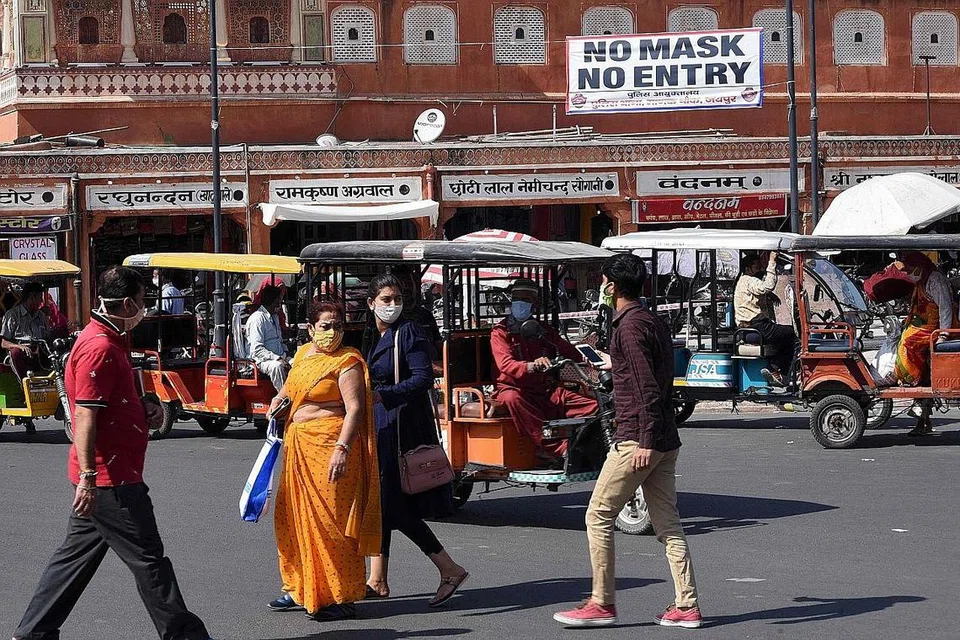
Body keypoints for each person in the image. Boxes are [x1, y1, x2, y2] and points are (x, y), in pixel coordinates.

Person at [12, 266, 212, 640]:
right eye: (141, 301)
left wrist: (143, 409)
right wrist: (89, 478)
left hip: (107, 476)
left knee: (72, 562)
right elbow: (85, 416)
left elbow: (109, 404)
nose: (143, 308)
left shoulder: (107, 338)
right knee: (150, 561)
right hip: (110, 479)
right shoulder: (99, 347)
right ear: (126, 304)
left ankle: (32, 634)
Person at [554, 253, 701, 629]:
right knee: (668, 525)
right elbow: (647, 371)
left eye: (604, 280)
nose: (601, 286)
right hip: (664, 437)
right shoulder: (647, 320)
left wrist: (645, 440)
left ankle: (601, 602)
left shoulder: (629, 327)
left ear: (613, 285)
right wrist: (614, 362)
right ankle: (687, 605)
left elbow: (647, 387)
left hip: (639, 437)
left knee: (598, 515)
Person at [266, 302, 381, 621]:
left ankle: (341, 597)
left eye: (338, 326)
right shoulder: (303, 355)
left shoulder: (347, 361)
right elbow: (287, 392)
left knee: (331, 524)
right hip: (299, 447)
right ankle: (299, 588)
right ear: (310, 328)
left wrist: (342, 449)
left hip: (331, 448)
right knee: (292, 518)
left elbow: (355, 408)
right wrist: (276, 404)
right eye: (326, 326)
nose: (333, 332)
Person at [363, 274, 469, 606]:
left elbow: (423, 378)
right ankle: (377, 579)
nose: (392, 305)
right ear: (371, 303)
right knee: (383, 503)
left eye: (397, 299)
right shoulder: (377, 335)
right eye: (386, 299)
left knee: (391, 505)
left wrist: (384, 395)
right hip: (384, 426)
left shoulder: (407, 332)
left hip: (402, 427)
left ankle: (449, 568)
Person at [490, 278, 597, 461]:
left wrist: (593, 358)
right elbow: (505, 364)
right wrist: (532, 366)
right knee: (512, 399)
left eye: (526, 300)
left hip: (545, 389)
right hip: (515, 389)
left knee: (596, 406)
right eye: (516, 299)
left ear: (535, 304)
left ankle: (588, 444)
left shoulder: (542, 330)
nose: (520, 304)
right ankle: (558, 449)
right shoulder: (500, 332)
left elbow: (567, 349)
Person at [893, 252, 958, 435]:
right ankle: (922, 415)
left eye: (910, 270)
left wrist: (944, 334)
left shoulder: (935, 281)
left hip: (935, 328)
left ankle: (910, 380)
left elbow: (945, 308)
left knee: (908, 343)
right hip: (924, 326)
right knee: (903, 336)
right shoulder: (921, 281)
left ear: (919, 267)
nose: (909, 273)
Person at [734, 251, 796, 386]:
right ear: (748, 269)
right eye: (756, 266)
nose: (760, 269)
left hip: (753, 327)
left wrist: (768, 296)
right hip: (757, 326)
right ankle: (776, 369)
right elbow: (767, 286)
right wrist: (772, 261)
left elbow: (757, 293)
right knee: (793, 334)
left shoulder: (744, 281)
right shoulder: (749, 280)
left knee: (784, 338)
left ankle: (779, 371)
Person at [1, 282, 50, 381]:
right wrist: (19, 346)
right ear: (32, 297)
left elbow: (47, 337)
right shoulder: (12, 315)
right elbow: (3, 342)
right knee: (16, 353)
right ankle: (24, 384)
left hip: (40, 352)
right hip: (22, 354)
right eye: (40, 297)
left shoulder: (41, 316)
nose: (41, 301)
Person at [245, 285, 289, 392]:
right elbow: (257, 349)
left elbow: (279, 340)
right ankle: (283, 396)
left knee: (298, 363)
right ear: (274, 302)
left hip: (280, 355)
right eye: (279, 301)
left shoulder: (275, 317)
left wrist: (286, 353)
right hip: (261, 360)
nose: (280, 304)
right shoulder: (257, 319)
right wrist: (277, 358)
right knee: (277, 367)